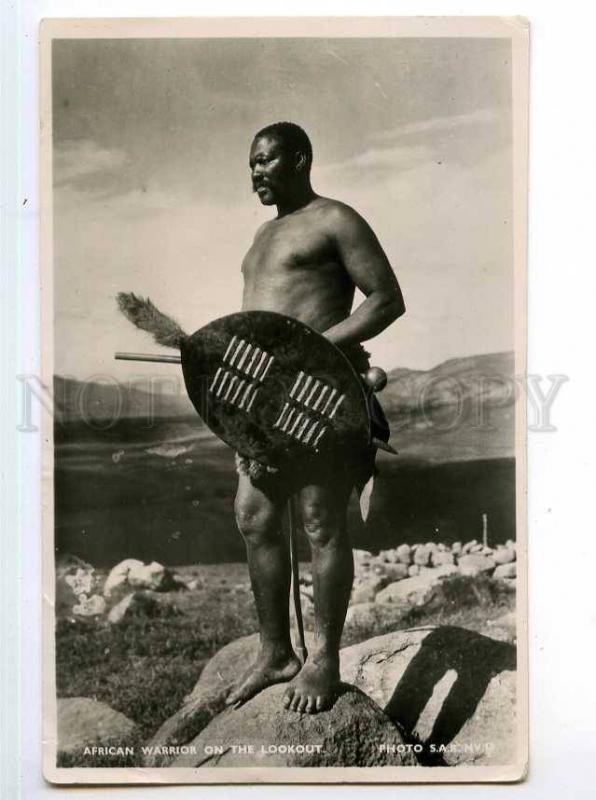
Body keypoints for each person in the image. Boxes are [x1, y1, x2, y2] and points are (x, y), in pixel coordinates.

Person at [226, 122, 405, 714]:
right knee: (254, 515)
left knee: (320, 520)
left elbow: (386, 297)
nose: (255, 171)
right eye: (251, 162)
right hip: (264, 400)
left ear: (299, 159)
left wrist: (319, 349)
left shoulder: (336, 219)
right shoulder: (260, 236)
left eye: (266, 160)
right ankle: (276, 652)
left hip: (321, 392)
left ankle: (323, 659)